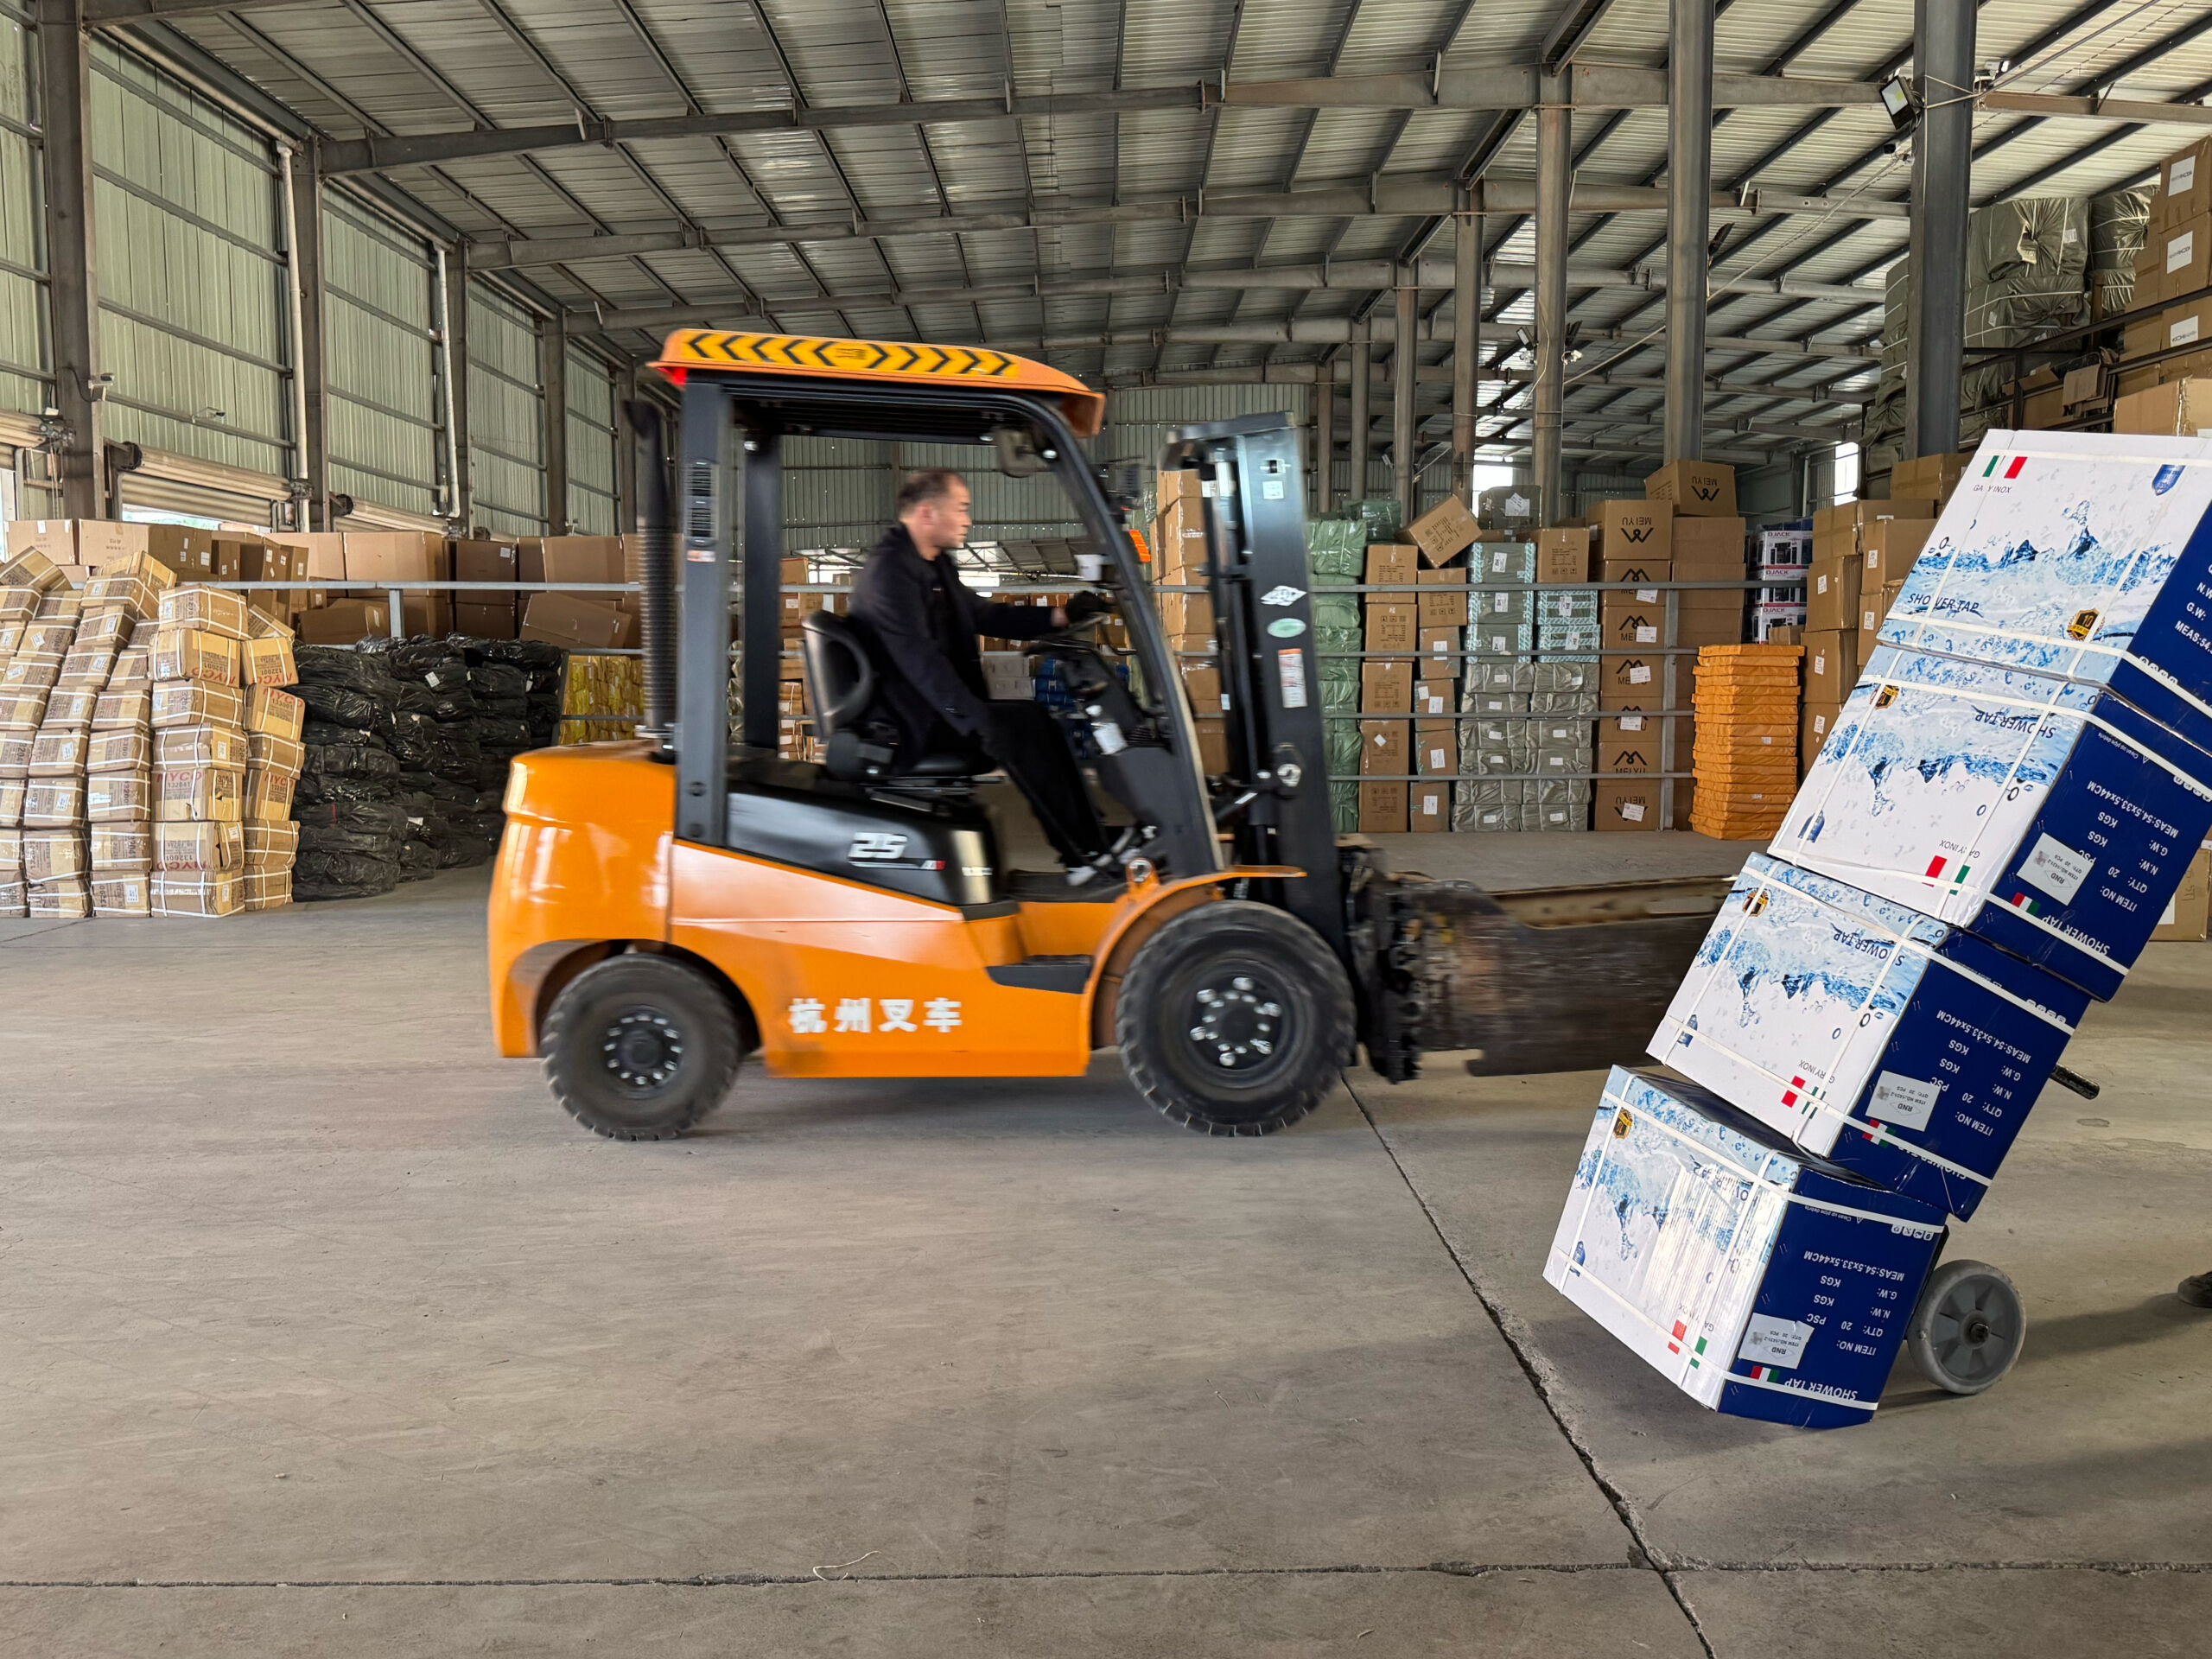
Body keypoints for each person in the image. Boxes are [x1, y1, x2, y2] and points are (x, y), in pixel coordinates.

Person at [847, 468, 1127, 885]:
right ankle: (1084, 854)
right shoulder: (891, 574)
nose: (968, 520)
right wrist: (976, 719)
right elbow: (921, 661)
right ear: (927, 513)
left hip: (932, 710)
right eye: (961, 509)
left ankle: (1089, 840)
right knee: (1022, 729)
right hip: (909, 723)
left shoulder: (931, 564)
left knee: (1035, 720)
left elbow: (983, 614)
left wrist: (1061, 616)